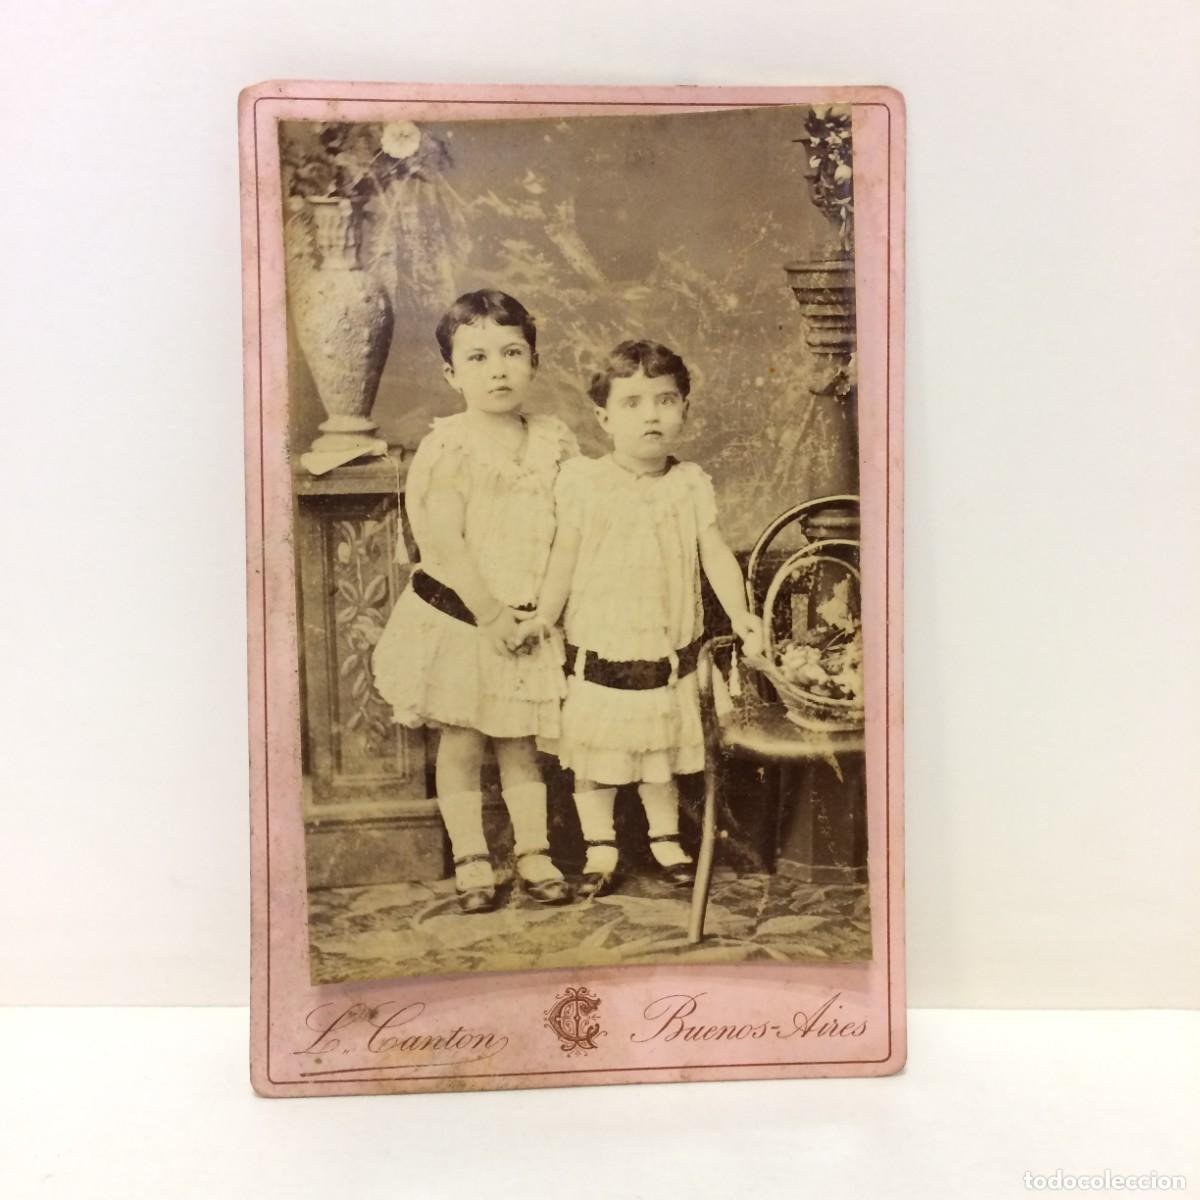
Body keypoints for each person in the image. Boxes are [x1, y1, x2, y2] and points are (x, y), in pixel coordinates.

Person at [528, 339, 762, 898]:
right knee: (598, 747)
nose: (652, 413)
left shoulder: (688, 484)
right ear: (605, 417)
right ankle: (601, 844)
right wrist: (544, 616)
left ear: (684, 410)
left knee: (659, 746)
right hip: (603, 643)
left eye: (666, 399)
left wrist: (743, 615)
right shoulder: (583, 482)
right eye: (633, 403)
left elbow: (715, 553)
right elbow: (563, 555)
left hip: (664, 646)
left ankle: (663, 838)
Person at [372, 290, 576, 913]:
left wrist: (543, 611)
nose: (498, 369)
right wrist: (489, 615)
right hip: (465, 618)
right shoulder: (450, 447)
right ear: (451, 373)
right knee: (461, 740)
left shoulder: (553, 440)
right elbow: (444, 541)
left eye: (513, 352)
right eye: (479, 356)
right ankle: (471, 857)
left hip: (527, 619)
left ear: (534, 362)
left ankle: (534, 852)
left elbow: (570, 532)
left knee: (518, 742)